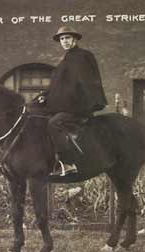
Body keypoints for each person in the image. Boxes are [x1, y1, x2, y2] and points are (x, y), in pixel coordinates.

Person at [38, 26, 107, 176]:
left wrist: (68, 100)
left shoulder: (83, 56)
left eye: (67, 38)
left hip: (78, 107)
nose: (64, 41)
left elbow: (84, 83)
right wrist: (45, 95)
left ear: (74, 39)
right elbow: (57, 85)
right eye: (62, 39)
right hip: (65, 106)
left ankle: (68, 163)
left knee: (54, 123)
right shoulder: (65, 60)